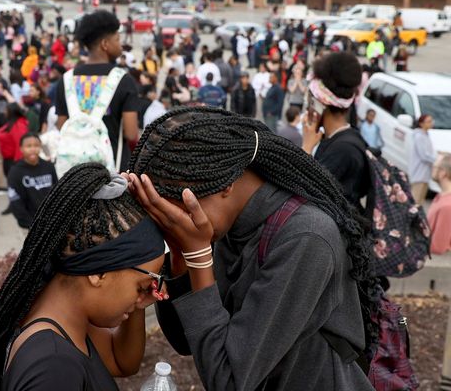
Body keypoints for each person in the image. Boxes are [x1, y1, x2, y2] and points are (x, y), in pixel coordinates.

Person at [126, 106, 378, 391]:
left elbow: (230, 381)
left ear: (226, 182)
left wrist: (198, 256)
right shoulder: (227, 221)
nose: (176, 220)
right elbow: (186, 340)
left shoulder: (306, 237)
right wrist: (181, 254)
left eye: (177, 204)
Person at [0, 163, 166, 390]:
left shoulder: (66, 316)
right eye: (140, 287)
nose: (143, 296)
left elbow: (122, 363)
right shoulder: (52, 368)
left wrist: (136, 303)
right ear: (98, 274)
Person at [55, 10, 140, 172]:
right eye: (117, 39)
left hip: (75, 175)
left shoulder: (66, 80)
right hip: (112, 172)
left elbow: (62, 126)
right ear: (105, 44)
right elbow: (130, 133)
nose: (120, 44)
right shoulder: (124, 80)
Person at [302, 53, 370, 212]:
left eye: (310, 100)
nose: (308, 106)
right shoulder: (344, 138)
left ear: (319, 103)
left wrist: (305, 147)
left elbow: (305, 196)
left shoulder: (343, 151)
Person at [7, 134, 57, 229]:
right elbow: (15, 202)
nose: (33, 149)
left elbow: (57, 192)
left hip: (51, 221)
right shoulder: (16, 171)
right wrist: (31, 225)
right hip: (30, 224)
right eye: (28, 146)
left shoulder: (49, 166)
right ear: (21, 148)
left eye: (36, 145)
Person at [409, 114, 436, 205]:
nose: (431, 123)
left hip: (424, 173)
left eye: (431, 121)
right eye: (428, 121)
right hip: (419, 173)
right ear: (421, 124)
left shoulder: (426, 135)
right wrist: (436, 160)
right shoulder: (419, 136)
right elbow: (424, 155)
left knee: (420, 201)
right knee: (415, 200)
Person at [0, 103, 29, 177]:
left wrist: (18, 164)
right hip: (7, 160)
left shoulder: (18, 125)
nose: (4, 112)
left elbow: (20, 144)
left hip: (14, 161)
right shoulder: (11, 123)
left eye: (6, 110)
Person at [429, 154, 451, 255]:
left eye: (435, 166)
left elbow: (437, 247)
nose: (432, 168)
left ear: (443, 173)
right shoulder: (441, 196)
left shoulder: (447, 206)